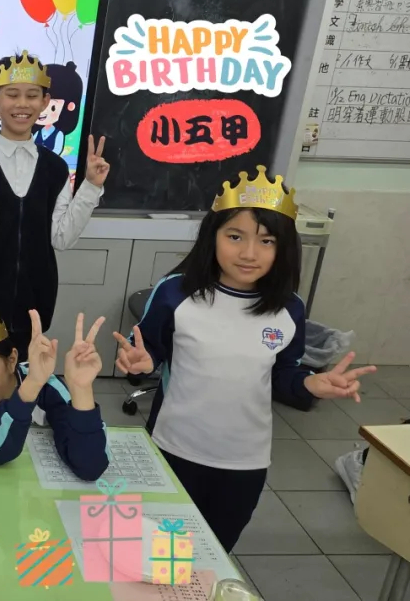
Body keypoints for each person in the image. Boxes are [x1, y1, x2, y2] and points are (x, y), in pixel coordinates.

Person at [114, 165, 376, 551]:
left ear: (284, 249)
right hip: (174, 446)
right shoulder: (176, 293)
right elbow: (150, 348)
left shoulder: (289, 308)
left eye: (267, 241)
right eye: (235, 236)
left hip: (244, 462)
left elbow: (283, 375)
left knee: (213, 552)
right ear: (213, 236)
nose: (249, 253)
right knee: (160, 550)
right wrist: (143, 361)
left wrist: (310, 383)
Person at [0, 52, 109, 343]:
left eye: (32, 95)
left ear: (45, 102)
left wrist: (90, 186)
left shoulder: (55, 167)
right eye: (12, 94)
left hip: (34, 304)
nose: (22, 104)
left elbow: (61, 238)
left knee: (26, 371)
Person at [0, 306, 108, 477]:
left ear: (11, 360)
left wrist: (81, 389)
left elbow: (90, 466)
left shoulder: (47, 387)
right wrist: (29, 390)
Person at [33, 61, 83, 156]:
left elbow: (57, 149)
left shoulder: (58, 134)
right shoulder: (38, 132)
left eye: (52, 107)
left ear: (69, 107)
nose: (43, 111)